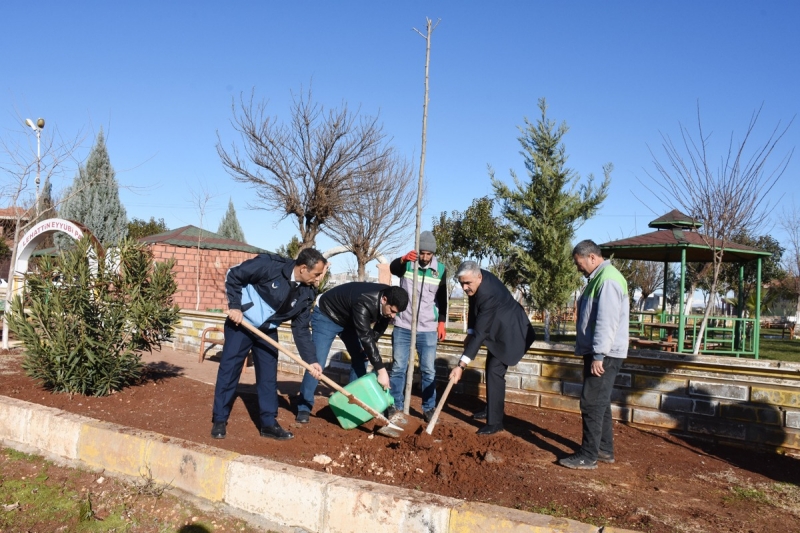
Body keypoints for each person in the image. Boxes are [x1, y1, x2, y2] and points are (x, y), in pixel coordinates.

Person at [210, 248, 327, 441]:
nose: (317, 279)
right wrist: (235, 306)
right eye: (316, 274)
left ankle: (268, 423)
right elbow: (234, 274)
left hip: (267, 330)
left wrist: (311, 360)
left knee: (268, 376)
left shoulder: (307, 293)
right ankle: (220, 419)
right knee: (229, 370)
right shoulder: (271, 266)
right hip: (242, 323)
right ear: (304, 268)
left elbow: (301, 329)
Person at [559, 240, 629, 470]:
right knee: (600, 402)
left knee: (591, 402)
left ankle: (588, 456)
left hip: (604, 353)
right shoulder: (600, 278)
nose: (578, 267)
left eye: (579, 263)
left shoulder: (607, 279)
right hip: (601, 352)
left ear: (591, 257)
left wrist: (599, 354)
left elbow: (606, 320)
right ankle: (603, 450)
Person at [294, 282, 409, 424]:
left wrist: (372, 344)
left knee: (362, 356)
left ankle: (353, 404)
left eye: (396, 313)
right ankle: (304, 406)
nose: (393, 316)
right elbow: (365, 337)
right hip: (327, 314)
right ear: (384, 299)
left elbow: (379, 326)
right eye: (392, 310)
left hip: (349, 319)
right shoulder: (364, 300)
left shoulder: (390, 297)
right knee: (317, 363)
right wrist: (382, 371)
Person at [448, 261, 536, 435]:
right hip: (499, 329)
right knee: (492, 370)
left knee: (494, 372)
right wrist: (469, 332)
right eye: (461, 283)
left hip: (511, 333)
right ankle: (492, 410)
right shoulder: (478, 280)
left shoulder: (488, 293)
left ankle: (495, 423)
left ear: (478, 277)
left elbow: (481, 333)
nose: (465, 287)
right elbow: (474, 307)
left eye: (468, 283)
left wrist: (460, 366)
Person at [387, 231, 448, 424]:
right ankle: (396, 405)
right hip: (403, 325)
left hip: (427, 328)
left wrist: (441, 322)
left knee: (428, 370)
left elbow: (442, 298)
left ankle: (429, 408)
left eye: (428, 254)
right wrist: (404, 258)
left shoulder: (440, 269)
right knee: (398, 367)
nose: (424, 257)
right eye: (422, 253)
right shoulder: (408, 264)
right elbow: (393, 268)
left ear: (433, 254)